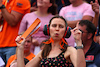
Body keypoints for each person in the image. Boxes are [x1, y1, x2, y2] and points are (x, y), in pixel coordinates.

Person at [16, 15, 86, 67]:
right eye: (54, 26)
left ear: (66, 31)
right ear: (48, 29)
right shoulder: (43, 53)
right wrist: (20, 48)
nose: (57, 29)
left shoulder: (69, 50)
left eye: (61, 26)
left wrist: (78, 42)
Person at [0, 0, 31, 65]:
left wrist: (2, 7)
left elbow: (13, 21)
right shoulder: (4, 1)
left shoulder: (22, 1)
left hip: (13, 44)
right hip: (1, 42)